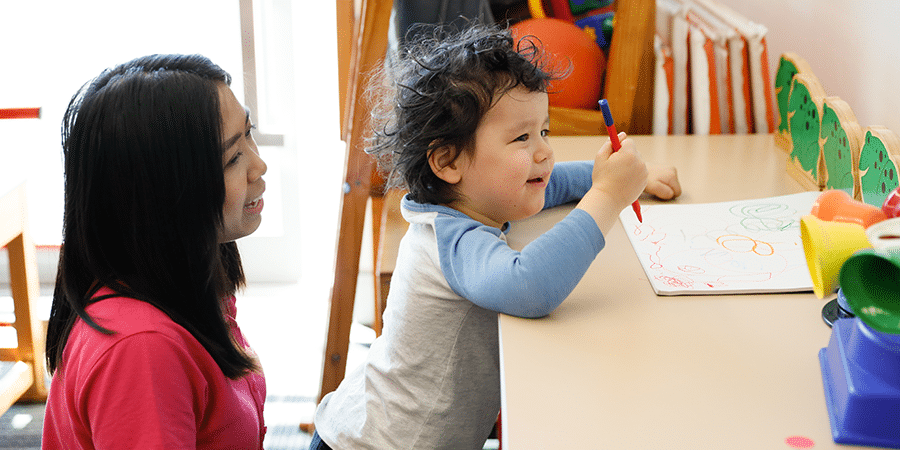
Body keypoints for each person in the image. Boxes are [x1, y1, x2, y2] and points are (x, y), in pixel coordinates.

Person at [309, 23, 681, 450]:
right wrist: (608, 196)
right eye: (521, 137)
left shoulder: (475, 198)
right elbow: (530, 286)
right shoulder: (450, 240)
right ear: (448, 161)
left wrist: (634, 179)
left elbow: (548, 182)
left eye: (544, 130)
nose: (543, 151)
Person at [42, 54, 269, 449]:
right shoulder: (141, 348)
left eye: (249, 133)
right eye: (233, 157)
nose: (259, 165)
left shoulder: (181, 288)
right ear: (165, 195)